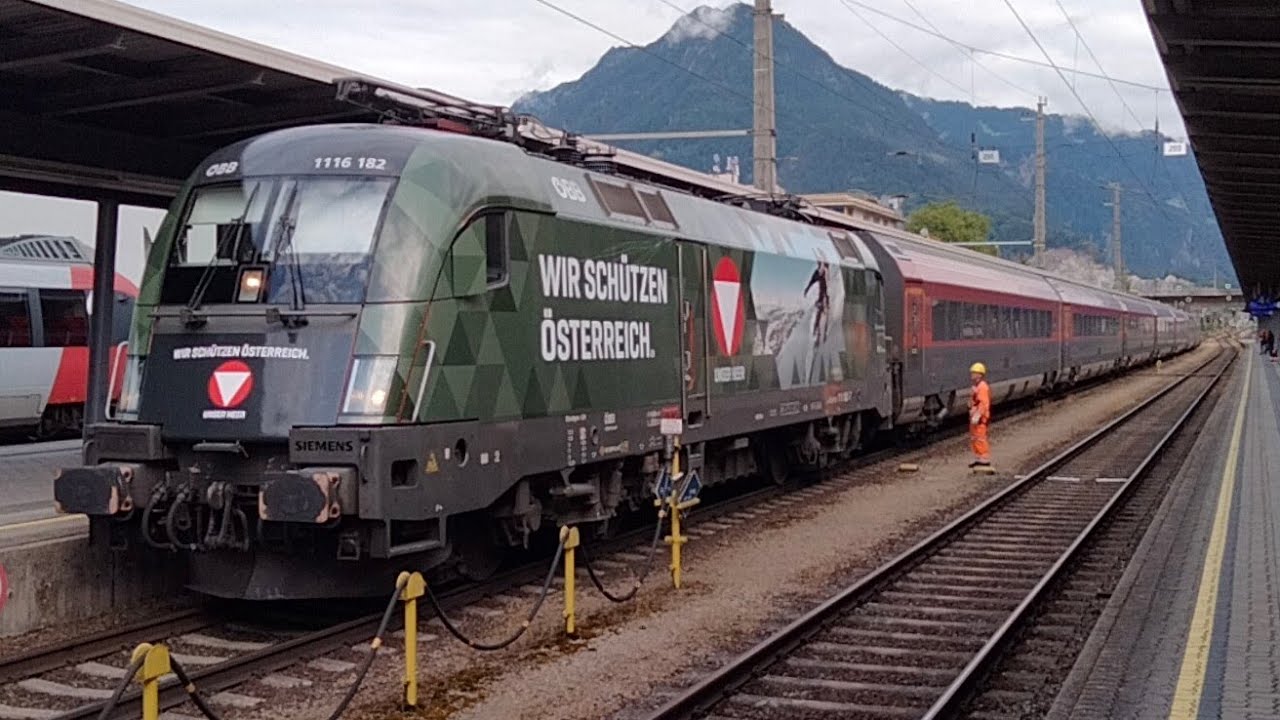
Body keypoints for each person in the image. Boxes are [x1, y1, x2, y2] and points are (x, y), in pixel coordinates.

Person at [969, 362, 992, 469]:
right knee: (975, 438)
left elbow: (983, 404)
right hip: (975, 418)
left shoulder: (982, 387)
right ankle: (978, 457)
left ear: (979, 375)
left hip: (980, 419)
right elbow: (974, 402)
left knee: (980, 438)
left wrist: (978, 415)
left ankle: (984, 458)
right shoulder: (976, 387)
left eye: (974, 373)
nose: (972, 375)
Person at [805, 262, 830, 346]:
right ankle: (817, 335)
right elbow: (812, 281)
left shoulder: (827, 273)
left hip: (825, 298)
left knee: (822, 317)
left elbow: (827, 287)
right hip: (821, 298)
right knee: (819, 315)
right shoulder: (819, 272)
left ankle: (820, 335)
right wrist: (807, 289)